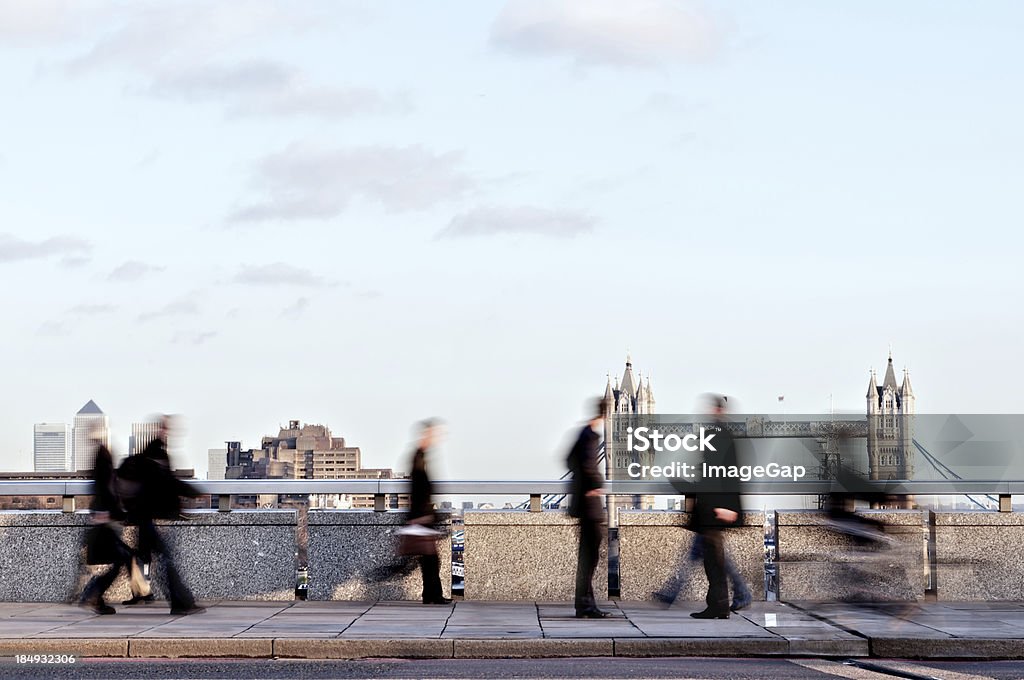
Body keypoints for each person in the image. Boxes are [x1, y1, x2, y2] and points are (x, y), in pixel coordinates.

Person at [118, 416, 204, 616]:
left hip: (146, 518)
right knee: (166, 561)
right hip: (153, 519)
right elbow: (169, 483)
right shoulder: (157, 458)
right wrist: (194, 492)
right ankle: (181, 603)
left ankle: (174, 600)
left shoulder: (151, 456)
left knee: (159, 560)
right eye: (167, 429)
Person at [687, 394, 743, 619]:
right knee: (714, 560)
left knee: (715, 561)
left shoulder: (719, 436)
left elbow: (729, 473)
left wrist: (726, 505)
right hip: (711, 508)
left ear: (717, 410)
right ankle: (719, 605)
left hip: (715, 509)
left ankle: (719, 605)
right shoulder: (718, 434)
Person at [80, 432, 133, 615]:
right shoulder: (105, 468)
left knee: (122, 559)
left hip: (104, 520)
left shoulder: (100, 468)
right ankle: (93, 594)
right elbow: (107, 492)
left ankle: (94, 595)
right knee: (121, 559)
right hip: (106, 522)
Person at [567, 397, 609, 619]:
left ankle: (584, 604)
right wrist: (594, 485)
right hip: (590, 508)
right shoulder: (591, 436)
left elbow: (568, 460)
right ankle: (585, 605)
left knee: (587, 558)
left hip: (581, 506)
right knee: (590, 558)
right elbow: (588, 465)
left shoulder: (582, 433)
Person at [407, 419, 450, 605]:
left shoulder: (420, 455)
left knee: (428, 558)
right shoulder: (418, 456)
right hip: (421, 514)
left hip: (421, 513)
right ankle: (433, 595)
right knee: (431, 558)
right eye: (433, 434)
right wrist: (422, 513)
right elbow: (418, 487)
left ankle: (431, 594)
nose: (435, 437)